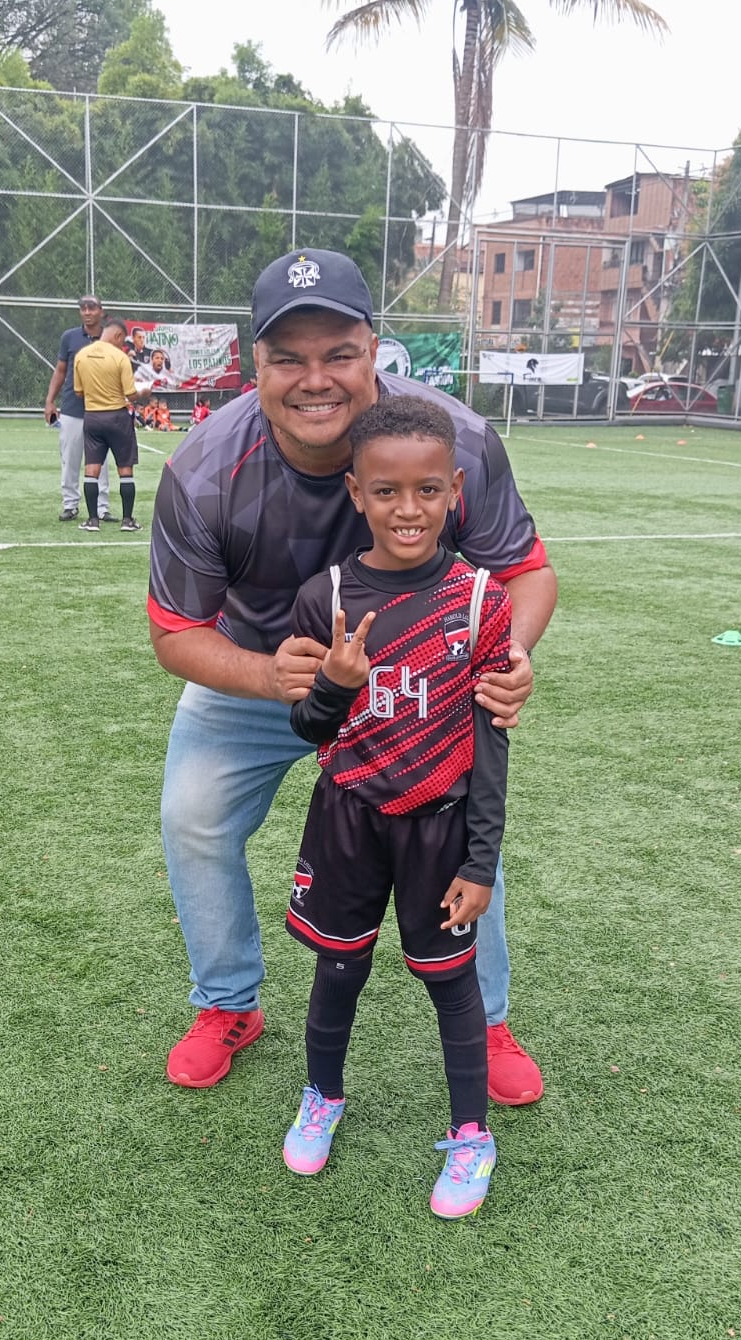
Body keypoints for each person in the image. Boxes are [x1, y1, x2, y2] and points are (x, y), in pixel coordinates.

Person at [147, 247, 558, 1104]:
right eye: (287, 358)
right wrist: (270, 676)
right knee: (192, 816)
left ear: (374, 349)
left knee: (460, 827)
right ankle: (227, 1003)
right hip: (270, 675)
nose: (315, 380)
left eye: (338, 353)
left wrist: (507, 652)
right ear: (255, 363)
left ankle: (486, 1021)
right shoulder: (204, 469)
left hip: (424, 685)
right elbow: (176, 632)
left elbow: (527, 573)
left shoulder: (454, 442)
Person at [281, 395, 509, 1219]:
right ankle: (322, 1096)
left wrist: (480, 862)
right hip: (346, 821)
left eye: (426, 491)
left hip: (439, 829)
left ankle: (472, 1135)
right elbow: (308, 728)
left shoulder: (480, 600)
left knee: (451, 983)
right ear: (356, 493)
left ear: (453, 490)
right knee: (338, 966)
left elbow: (492, 746)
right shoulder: (326, 597)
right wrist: (335, 686)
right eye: (386, 491)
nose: (407, 509)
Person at [72, 317, 148, 532]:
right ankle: (127, 521)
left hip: (92, 418)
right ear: (117, 335)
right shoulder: (120, 357)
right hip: (117, 418)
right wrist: (144, 392)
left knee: (91, 468)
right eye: (122, 340)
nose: (122, 344)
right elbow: (130, 394)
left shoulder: (81, 355)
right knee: (125, 469)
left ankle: (92, 520)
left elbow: (78, 392)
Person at [44, 295, 113, 524]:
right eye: (83, 308)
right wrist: (50, 401)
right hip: (73, 408)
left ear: (101, 311)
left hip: (102, 409)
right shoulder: (69, 337)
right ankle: (70, 505)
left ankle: (102, 508)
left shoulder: (110, 337)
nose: (87, 312)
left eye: (91, 308)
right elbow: (60, 370)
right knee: (70, 459)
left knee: (101, 462)